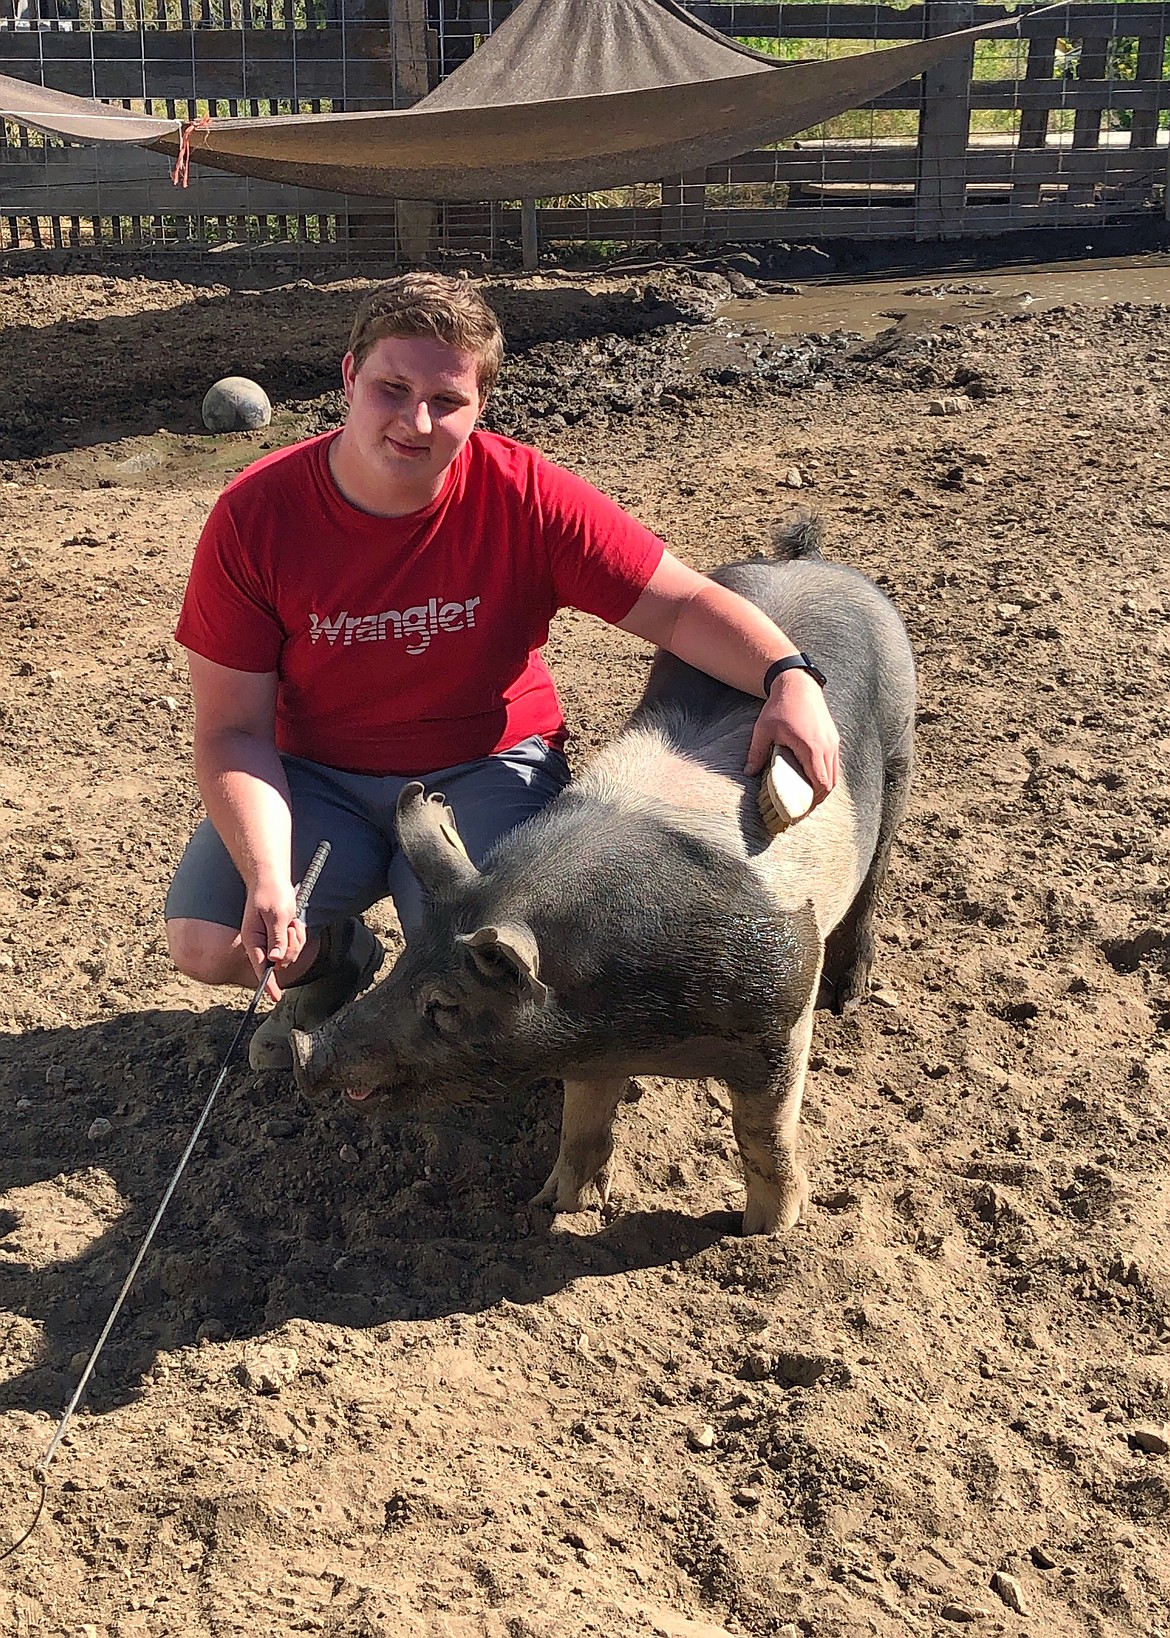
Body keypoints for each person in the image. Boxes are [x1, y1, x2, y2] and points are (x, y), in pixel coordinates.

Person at [166, 272, 839, 1072]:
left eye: (447, 401)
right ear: (350, 376)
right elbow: (235, 729)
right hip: (317, 774)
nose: (415, 421)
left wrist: (789, 674)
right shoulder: (255, 517)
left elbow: (681, 606)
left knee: (488, 958)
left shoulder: (525, 495)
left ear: (481, 403)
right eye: (392, 388)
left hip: (485, 764)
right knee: (210, 941)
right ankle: (335, 964)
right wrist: (269, 874)